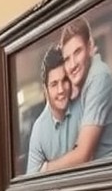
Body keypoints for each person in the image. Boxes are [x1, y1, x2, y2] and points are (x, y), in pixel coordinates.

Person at [39, 17, 112, 171]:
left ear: (90, 46)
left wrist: (44, 169)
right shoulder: (85, 81)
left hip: (109, 180)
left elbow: (82, 155)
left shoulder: (99, 77)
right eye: (67, 59)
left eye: (77, 52)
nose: (72, 65)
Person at [26, 45, 79, 174]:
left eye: (64, 80)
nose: (61, 90)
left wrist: (46, 168)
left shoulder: (83, 107)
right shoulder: (39, 130)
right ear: (45, 90)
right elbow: (32, 181)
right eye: (54, 84)